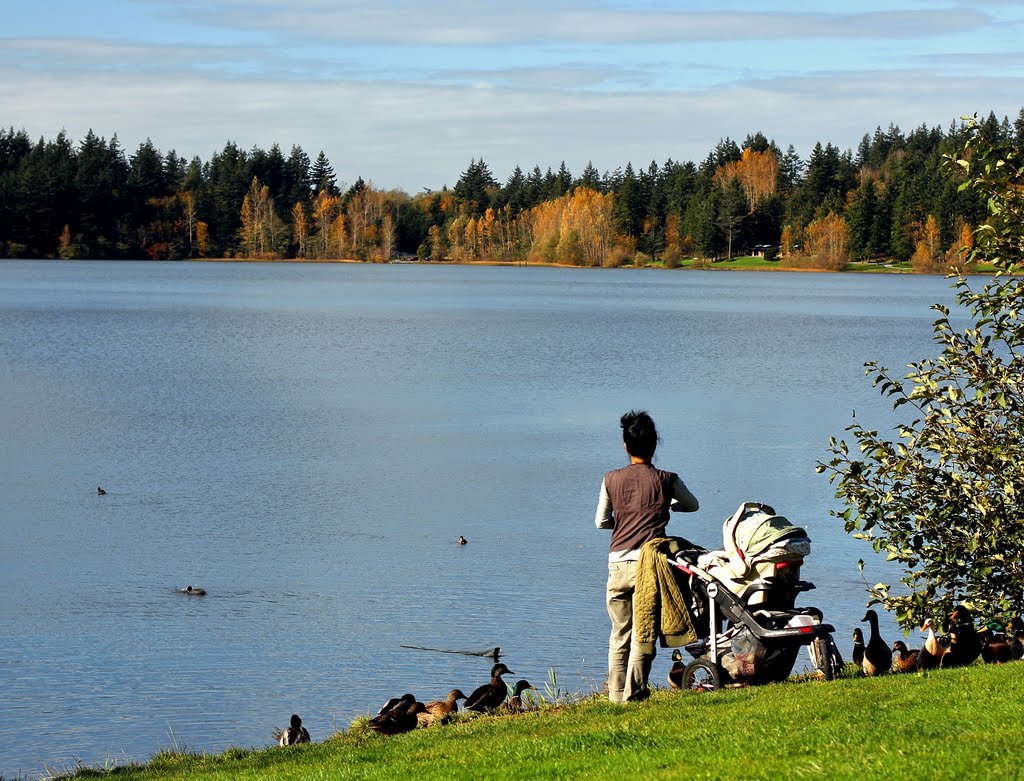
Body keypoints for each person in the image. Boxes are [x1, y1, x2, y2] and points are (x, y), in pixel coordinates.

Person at [595, 410, 699, 703]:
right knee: (644, 633)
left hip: (617, 566)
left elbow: (601, 522)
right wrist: (667, 506)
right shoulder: (667, 478)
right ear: (655, 445)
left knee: (620, 634)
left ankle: (615, 696)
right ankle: (635, 693)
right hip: (648, 567)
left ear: (626, 446)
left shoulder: (610, 479)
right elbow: (692, 505)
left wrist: (625, 519)